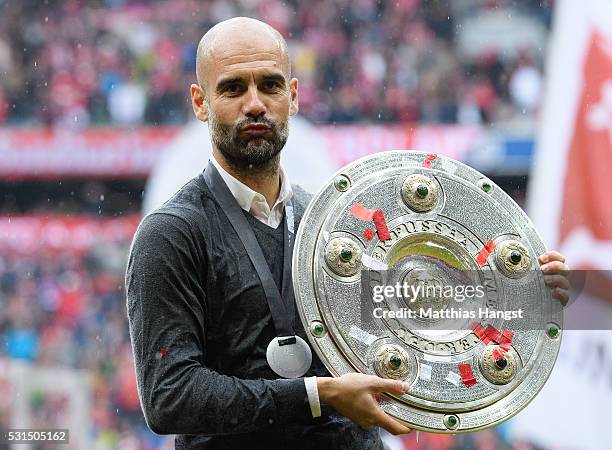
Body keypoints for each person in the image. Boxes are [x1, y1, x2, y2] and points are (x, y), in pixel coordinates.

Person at [125, 17, 571, 450]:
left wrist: (526, 295)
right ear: (200, 102)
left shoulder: (334, 223)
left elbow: (419, 314)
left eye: (271, 84)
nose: (255, 103)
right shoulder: (172, 233)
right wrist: (320, 396)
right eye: (233, 88)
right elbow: (171, 396)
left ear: (293, 96)